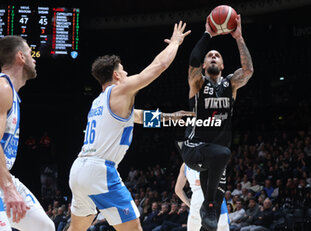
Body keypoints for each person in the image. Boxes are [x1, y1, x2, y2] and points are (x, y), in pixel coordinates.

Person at [67, 21, 190, 231]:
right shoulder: (119, 91)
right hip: (100, 171)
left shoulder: (98, 102)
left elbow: (138, 117)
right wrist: (176, 43)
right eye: (123, 71)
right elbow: (157, 67)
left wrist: (170, 117)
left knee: (76, 229)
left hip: (78, 170)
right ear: (116, 75)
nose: (126, 74)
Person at [180, 13, 253, 231]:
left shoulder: (230, 84)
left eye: (217, 55)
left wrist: (238, 38)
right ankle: (208, 205)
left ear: (222, 65)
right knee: (223, 154)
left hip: (215, 160)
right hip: (194, 149)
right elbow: (193, 60)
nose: (212, 56)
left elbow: (248, 71)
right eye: (209, 55)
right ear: (204, 65)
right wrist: (207, 34)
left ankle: (209, 208)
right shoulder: (198, 83)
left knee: (210, 226)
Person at [0, 35, 55, 231]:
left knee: (44, 227)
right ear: (21, 57)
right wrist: (9, 189)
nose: (35, 58)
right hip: (2, 181)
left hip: (3, 176)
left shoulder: (11, 93)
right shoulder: (2, 88)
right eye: (31, 53)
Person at [175, 163, 229, 231]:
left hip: (196, 201)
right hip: (215, 198)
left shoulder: (185, 165)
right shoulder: (213, 157)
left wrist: (190, 205)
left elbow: (178, 190)